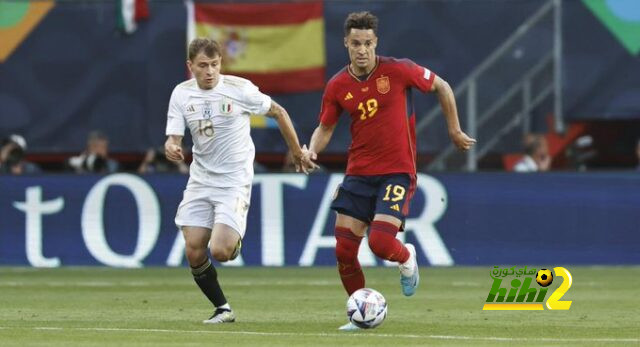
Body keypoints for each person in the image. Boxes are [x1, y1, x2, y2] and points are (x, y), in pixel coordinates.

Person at [304, 11, 476, 330]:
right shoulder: (338, 85)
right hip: (358, 174)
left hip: (396, 171)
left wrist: (454, 130)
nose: (362, 49)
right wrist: (311, 149)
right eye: (356, 43)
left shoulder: (399, 70)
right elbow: (325, 128)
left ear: (376, 42)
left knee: (381, 244)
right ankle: (362, 315)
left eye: (367, 43)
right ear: (346, 43)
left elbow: (442, 86)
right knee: (343, 251)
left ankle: (406, 257)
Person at [164, 37, 317, 324]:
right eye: (202, 65)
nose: (209, 71)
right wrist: (172, 146)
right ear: (190, 66)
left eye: (214, 64)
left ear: (221, 62)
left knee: (221, 251)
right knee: (193, 247)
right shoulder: (181, 94)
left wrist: (297, 152)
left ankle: (233, 240)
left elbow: (278, 112)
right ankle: (223, 309)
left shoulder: (239, 89)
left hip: (233, 181)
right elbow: (173, 137)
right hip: (200, 180)